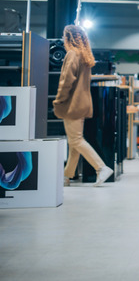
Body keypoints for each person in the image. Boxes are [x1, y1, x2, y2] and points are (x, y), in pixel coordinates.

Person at [53, 24, 114, 187]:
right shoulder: (84, 56)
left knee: (76, 140)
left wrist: (58, 100)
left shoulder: (72, 54)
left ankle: (101, 168)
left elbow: (66, 81)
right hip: (83, 104)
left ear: (67, 38)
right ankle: (66, 176)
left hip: (72, 105)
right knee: (74, 142)